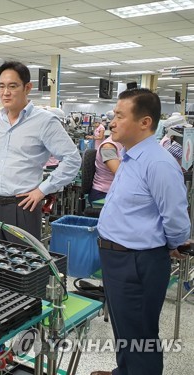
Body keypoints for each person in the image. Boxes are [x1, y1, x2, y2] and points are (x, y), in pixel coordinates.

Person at [95, 88, 190, 375]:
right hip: (117, 258)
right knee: (126, 328)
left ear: (145, 122)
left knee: (140, 336)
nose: (113, 122)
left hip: (137, 262)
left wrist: (172, 243)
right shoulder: (129, 156)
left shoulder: (159, 163)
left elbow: (177, 219)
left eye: (120, 116)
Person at [0, 60, 80, 240]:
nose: (5, 92)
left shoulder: (45, 121)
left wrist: (43, 189)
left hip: (24, 206)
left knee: (22, 264)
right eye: (1, 86)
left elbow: (72, 159)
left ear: (27, 88)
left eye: (12, 86)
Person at [88, 136, 123, 202]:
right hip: (103, 194)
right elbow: (120, 174)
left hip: (116, 192)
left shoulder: (124, 144)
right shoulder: (108, 147)